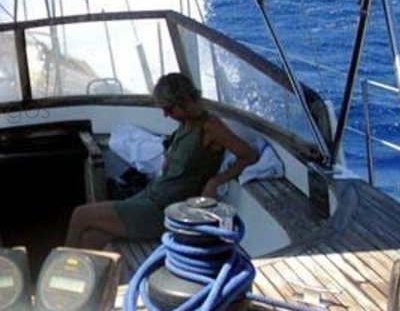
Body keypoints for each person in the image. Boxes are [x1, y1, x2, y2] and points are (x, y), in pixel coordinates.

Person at [65, 72, 256, 250]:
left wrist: (215, 181)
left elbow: (248, 155)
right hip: (152, 195)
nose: (165, 115)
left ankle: (60, 269)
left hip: (163, 210)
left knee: (81, 215)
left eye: (168, 109)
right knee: (92, 237)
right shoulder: (185, 124)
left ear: (183, 101)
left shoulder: (210, 126)